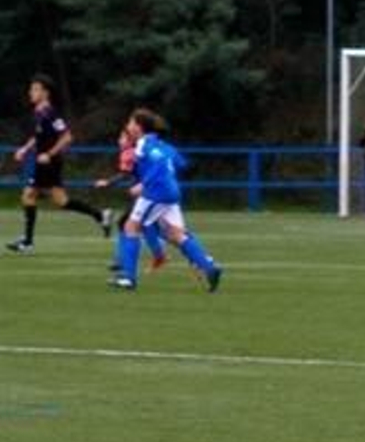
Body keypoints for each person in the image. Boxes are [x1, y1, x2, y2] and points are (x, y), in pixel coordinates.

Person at [107, 108, 223, 293]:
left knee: (131, 226)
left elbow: (159, 165)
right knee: (176, 234)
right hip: (172, 192)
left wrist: (143, 184)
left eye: (130, 122)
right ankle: (209, 267)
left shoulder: (144, 144)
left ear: (139, 127)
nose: (128, 126)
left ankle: (128, 278)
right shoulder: (165, 146)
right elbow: (182, 164)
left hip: (156, 192)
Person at [6, 73, 113, 253]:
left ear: (45, 93)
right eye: (31, 89)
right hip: (44, 163)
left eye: (35, 89)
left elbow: (67, 137)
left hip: (49, 164)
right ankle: (100, 215)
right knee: (60, 201)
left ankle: (28, 242)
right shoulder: (39, 112)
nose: (30, 92)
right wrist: (25, 149)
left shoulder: (51, 113)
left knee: (29, 195)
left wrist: (49, 153)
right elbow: (37, 136)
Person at [94, 125, 169, 273]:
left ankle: (123, 260)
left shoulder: (128, 153)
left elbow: (124, 174)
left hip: (147, 194)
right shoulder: (136, 151)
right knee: (145, 225)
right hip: (154, 191)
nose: (118, 140)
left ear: (129, 140)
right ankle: (126, 258)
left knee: (128, 224)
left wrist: (108, 182)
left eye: (121, 137)